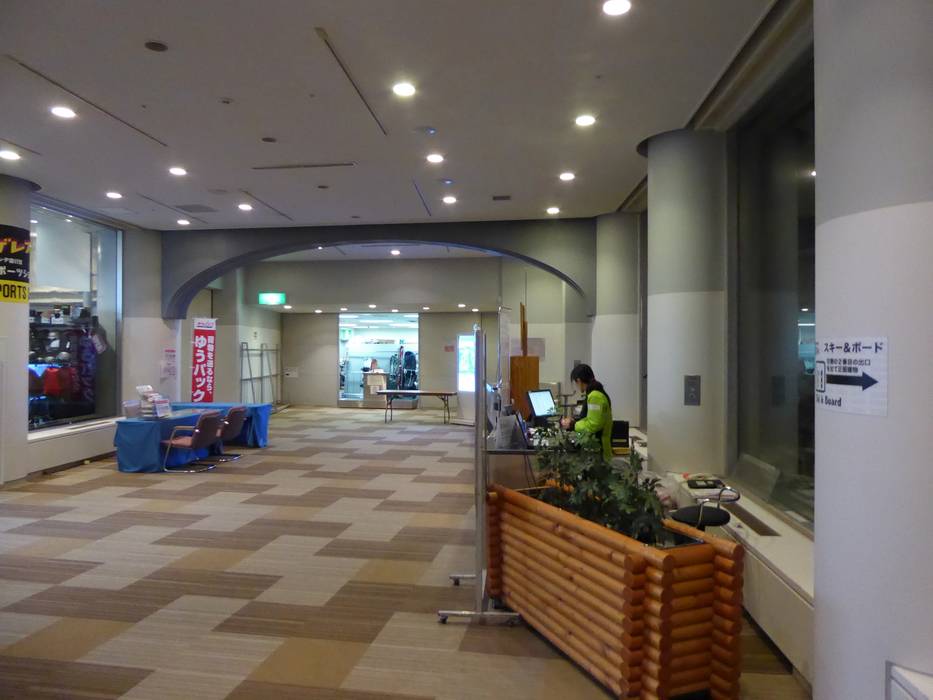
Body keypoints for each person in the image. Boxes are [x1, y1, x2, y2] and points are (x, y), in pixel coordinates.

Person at [560, 364, 613, 460]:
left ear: (579, 381)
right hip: (596, 448)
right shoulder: (596, 392)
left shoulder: (595, 396)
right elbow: (590, 418)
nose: (577, 386)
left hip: (598, 450)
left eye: (576, 383)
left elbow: (593, 425)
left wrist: (572, 425)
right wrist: (574, 421)